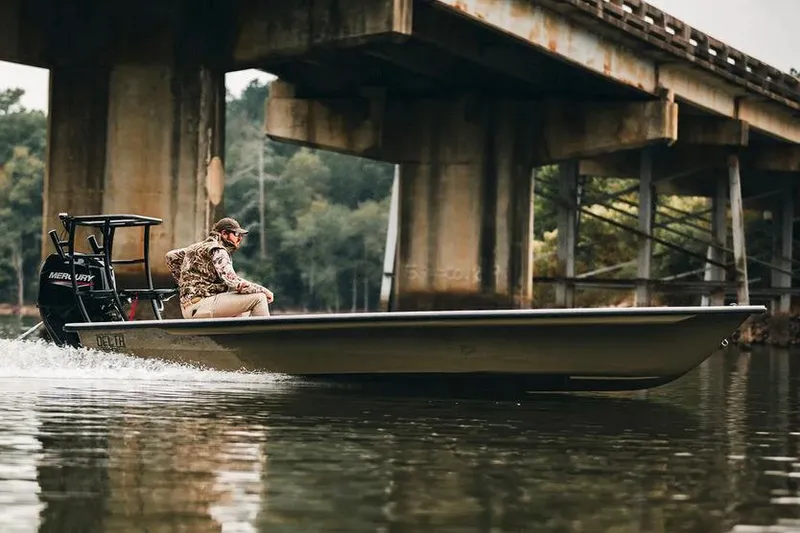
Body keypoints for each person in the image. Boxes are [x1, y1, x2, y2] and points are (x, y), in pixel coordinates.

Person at [165, 217, 274, 319]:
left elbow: (171, 256)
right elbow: (233, 281)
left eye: (241, 235)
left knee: (244, 304)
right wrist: (264, 290)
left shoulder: (196, 248)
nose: (240, 238)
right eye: (236, 234)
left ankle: (236, 338)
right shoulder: (218, 249)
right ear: (224, 234)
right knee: (259, 298)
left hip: (189, 307)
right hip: (203, 305)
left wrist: (184, 283)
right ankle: (264, 337)